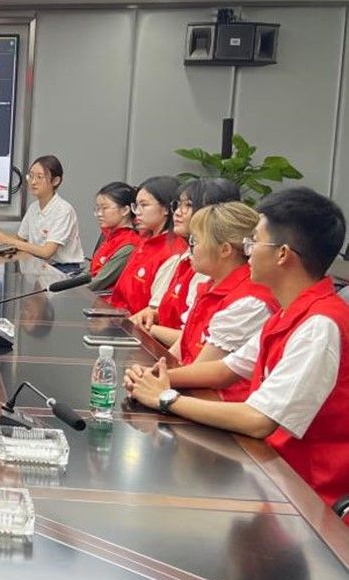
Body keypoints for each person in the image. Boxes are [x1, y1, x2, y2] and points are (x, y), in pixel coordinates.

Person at [125, 187, 349, 507]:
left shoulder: (320, 325)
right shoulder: (292, 311)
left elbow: (258, 419)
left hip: (304, 496)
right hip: (269, 471)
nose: (247, 251)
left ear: (283, 254)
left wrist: (165, 398)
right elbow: (227, 368)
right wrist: (153, 379)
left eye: (254, 241)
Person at [166, 201, 278, 400]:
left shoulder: (251, 301)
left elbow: (204, 372)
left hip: (220, 404)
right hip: (193, 391)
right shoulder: (211, 285)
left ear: (225, 249)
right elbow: (179, 351)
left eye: (195, 241)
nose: (190, 249)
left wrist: (157, 378)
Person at [131, 178, 241, 343]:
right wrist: (152, 315)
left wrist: (150, 328)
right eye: (178, 205)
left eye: (189, 205)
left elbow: (192, 339)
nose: (177, 212)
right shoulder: (184, 257)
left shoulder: (211, 267)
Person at [0, 155, 85, 274]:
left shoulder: (64, 210)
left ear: (55, 181)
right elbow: (20, 239)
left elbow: (46, 252)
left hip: (63, 270)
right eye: (31, 176)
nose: (33, 182)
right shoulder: (33, 207)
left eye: (40, 177)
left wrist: (7, 240)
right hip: (40, 266)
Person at [108, 175, 186, 313]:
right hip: (115, 313)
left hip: (135, 322)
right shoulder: (145, 240)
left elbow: (153, 311)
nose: (137, 212)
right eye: (136, 206)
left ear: (166, 208)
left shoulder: (174, 251)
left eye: (144, 205)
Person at [88, 181, 139, 291]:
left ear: (125, 210)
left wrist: (68, 292)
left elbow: (99, 282)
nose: (99, 214)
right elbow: (90, 271)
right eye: (97, 209)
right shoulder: (109, 236)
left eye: (105, 208)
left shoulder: (129, 245)